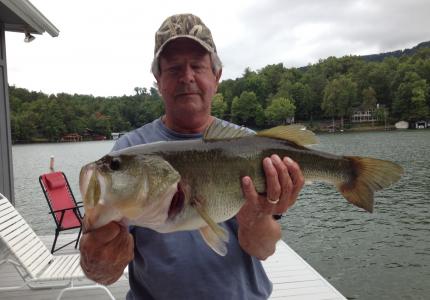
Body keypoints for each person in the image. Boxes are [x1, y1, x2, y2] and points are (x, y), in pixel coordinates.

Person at [80, 13, 305, 300]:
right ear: (158, 80)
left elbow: (263, 249)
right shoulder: (129, 151)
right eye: (173, 69)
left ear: (217, 76)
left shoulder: (252, 146)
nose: (187, 77)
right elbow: (104, 274)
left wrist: (258, 217)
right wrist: (98, 253)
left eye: (197, 66)